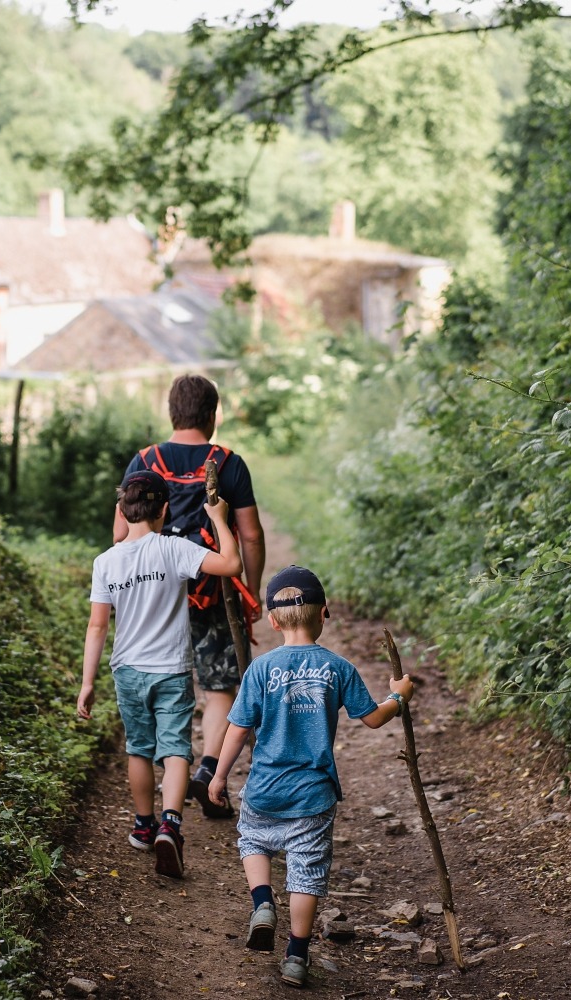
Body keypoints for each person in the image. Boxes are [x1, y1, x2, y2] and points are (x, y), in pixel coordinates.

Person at [208, 565, 415, 988]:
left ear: (271, 620)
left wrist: (217, 776)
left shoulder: (261, 670)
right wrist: (399, 696)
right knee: (307, 871)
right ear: (325, 614)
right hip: (313, 795)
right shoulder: (338, 668)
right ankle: (296, 958)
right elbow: (374, 719)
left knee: (253, 840)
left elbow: (238, 728)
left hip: (265, 787)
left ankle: (263, 903)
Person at [78, 469, 243, 878]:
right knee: (174, 750)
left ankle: (143, 824)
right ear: (164, 509)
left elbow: (97, 626)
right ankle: (171, 822)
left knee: (138, 748)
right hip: (170, 669)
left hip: (128, 671)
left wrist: (86, 684)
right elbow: (232, 564)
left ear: (121, 510)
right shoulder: (174, 548)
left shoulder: (106, 561)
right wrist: (218, 517)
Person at [118, 374, 266, 820]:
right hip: (213, 589)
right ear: (212, 415)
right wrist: (252, 593)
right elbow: (252, 535)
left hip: (156, 594)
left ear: (171, 412)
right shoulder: (227, 462)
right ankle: (205, 771)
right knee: (221, 687)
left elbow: (122, 534)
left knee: (164, 684)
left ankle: (163, 785)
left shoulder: (145, 460)